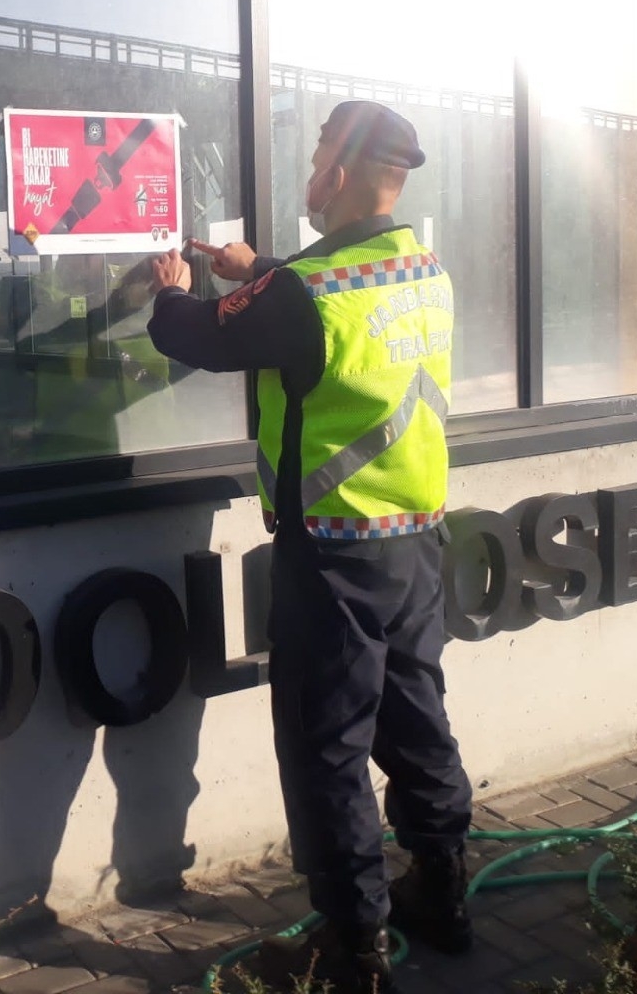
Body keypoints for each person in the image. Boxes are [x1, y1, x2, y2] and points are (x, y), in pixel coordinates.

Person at [144, 101, 472, 994]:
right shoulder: (422, 268)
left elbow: (200, 335)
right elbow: (312, 303)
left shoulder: (304, 292)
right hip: (415, 539)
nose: (311, 166)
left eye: (320, 150)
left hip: (333, 556)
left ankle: (354, 950)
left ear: (340, 171)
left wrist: (173, 284)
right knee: (417, 717)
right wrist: (260, 270)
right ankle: (441, 891)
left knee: (326, 744)